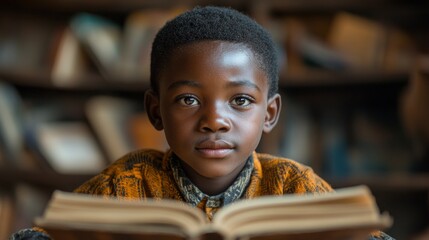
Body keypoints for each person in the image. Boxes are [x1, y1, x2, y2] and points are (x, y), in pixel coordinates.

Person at [10, 6, 393, 240]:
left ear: (270, 114)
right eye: (188, 100)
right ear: (156, 111)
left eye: (240, 101)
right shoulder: (124, 184)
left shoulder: (295, 186)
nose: (214, 121)